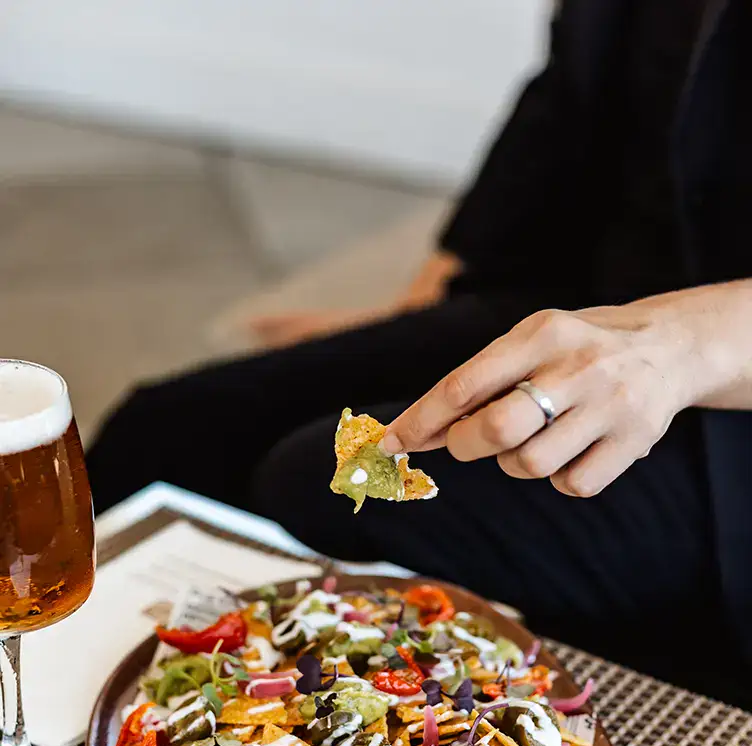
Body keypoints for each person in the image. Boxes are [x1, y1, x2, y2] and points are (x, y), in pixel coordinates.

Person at [87, 0, 752, 708]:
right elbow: (573, 95)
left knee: (322, 481)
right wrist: (420, 313)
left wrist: (678, 343)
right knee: (163, 431)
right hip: (586, 301)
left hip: (727, 408)